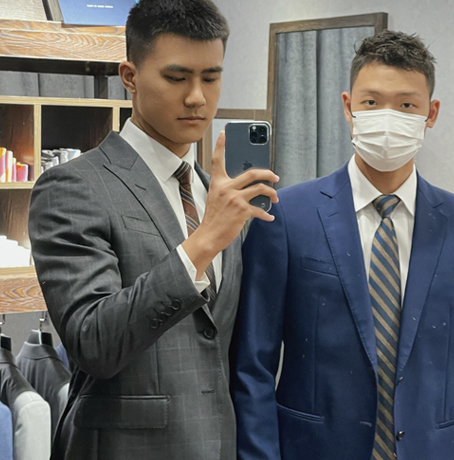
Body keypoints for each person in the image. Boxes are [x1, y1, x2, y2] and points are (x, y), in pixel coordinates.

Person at [231, 30, 454, 460]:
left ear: (431, 113)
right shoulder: (287, 217)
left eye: (406, 105)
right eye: (371, 102)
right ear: (348, 107)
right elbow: (252, 365)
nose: (387, 117)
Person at [28, 1, 278, 459]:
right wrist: (204, 241)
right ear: (130, 76)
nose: (197, 97)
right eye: (177, 78)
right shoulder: (73, 186)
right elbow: (93, 343)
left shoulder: (213, 193)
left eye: (211, 78)